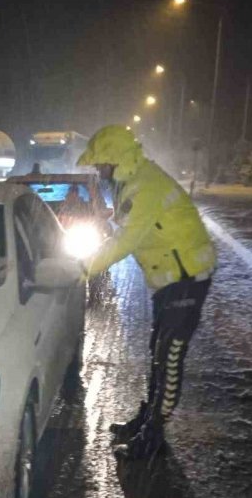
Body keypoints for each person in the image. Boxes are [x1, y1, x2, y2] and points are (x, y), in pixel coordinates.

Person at [77, 124, 217, 460]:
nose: (99, 172)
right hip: (169, 280)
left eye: (101, 165)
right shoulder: (132, 182)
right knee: (158, 351)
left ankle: (153, 437)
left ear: (116, 160)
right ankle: (146, 418)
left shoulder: (146, 187)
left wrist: (81, 268)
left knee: (168, 356)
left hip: (187, 277)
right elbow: (129, 227)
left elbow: (126, 240)